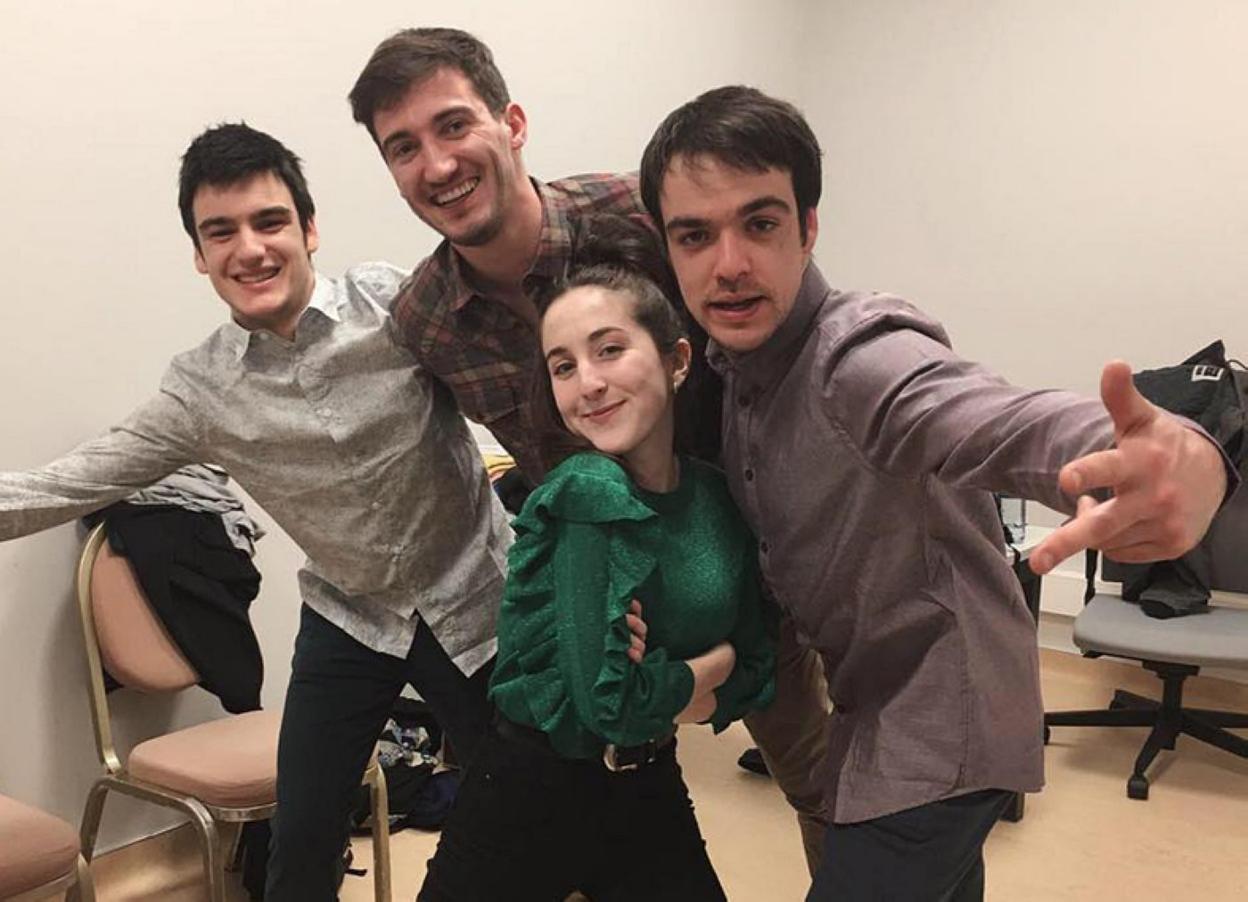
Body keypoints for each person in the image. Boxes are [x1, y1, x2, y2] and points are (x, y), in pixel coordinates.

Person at [638, 86, 1235, 900]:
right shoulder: (735, 371)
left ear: (808, 229)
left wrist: (1179, 454)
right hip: (873, 708)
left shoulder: (856, 359)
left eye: (761, 223)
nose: (730, 263)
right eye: (696, 236)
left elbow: (987, 416)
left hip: (939, 729)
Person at [348, 27, 832, 871]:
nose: (438, 163)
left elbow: (788, 317)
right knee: (600, 794)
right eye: (404, 147)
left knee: (817, 775)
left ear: (512, 123)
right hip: (604, 596)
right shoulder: (425, 319)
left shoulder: (637, 212)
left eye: (454, 125)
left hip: (736, 556)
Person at [0, 123, 511, 901]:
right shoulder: (201, 390)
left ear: (309, 229)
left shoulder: (392, 304)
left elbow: (518, 382)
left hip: (475, 598)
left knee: (525, 807)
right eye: (221, 232)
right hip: (350, 619)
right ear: (200, 256)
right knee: (298, 844)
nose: (250, 249)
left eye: (270, 222)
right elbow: (59, 487)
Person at [417, 219, 776, 902]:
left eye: (609, 350)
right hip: (526, 796)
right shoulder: (587, 490)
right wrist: (712, 665)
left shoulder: (715, 497)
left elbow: (759, 670)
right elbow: (612, 704)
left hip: (647, 784)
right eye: (563, 367)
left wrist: (668, 684)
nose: (588, 384)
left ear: (677, 359)